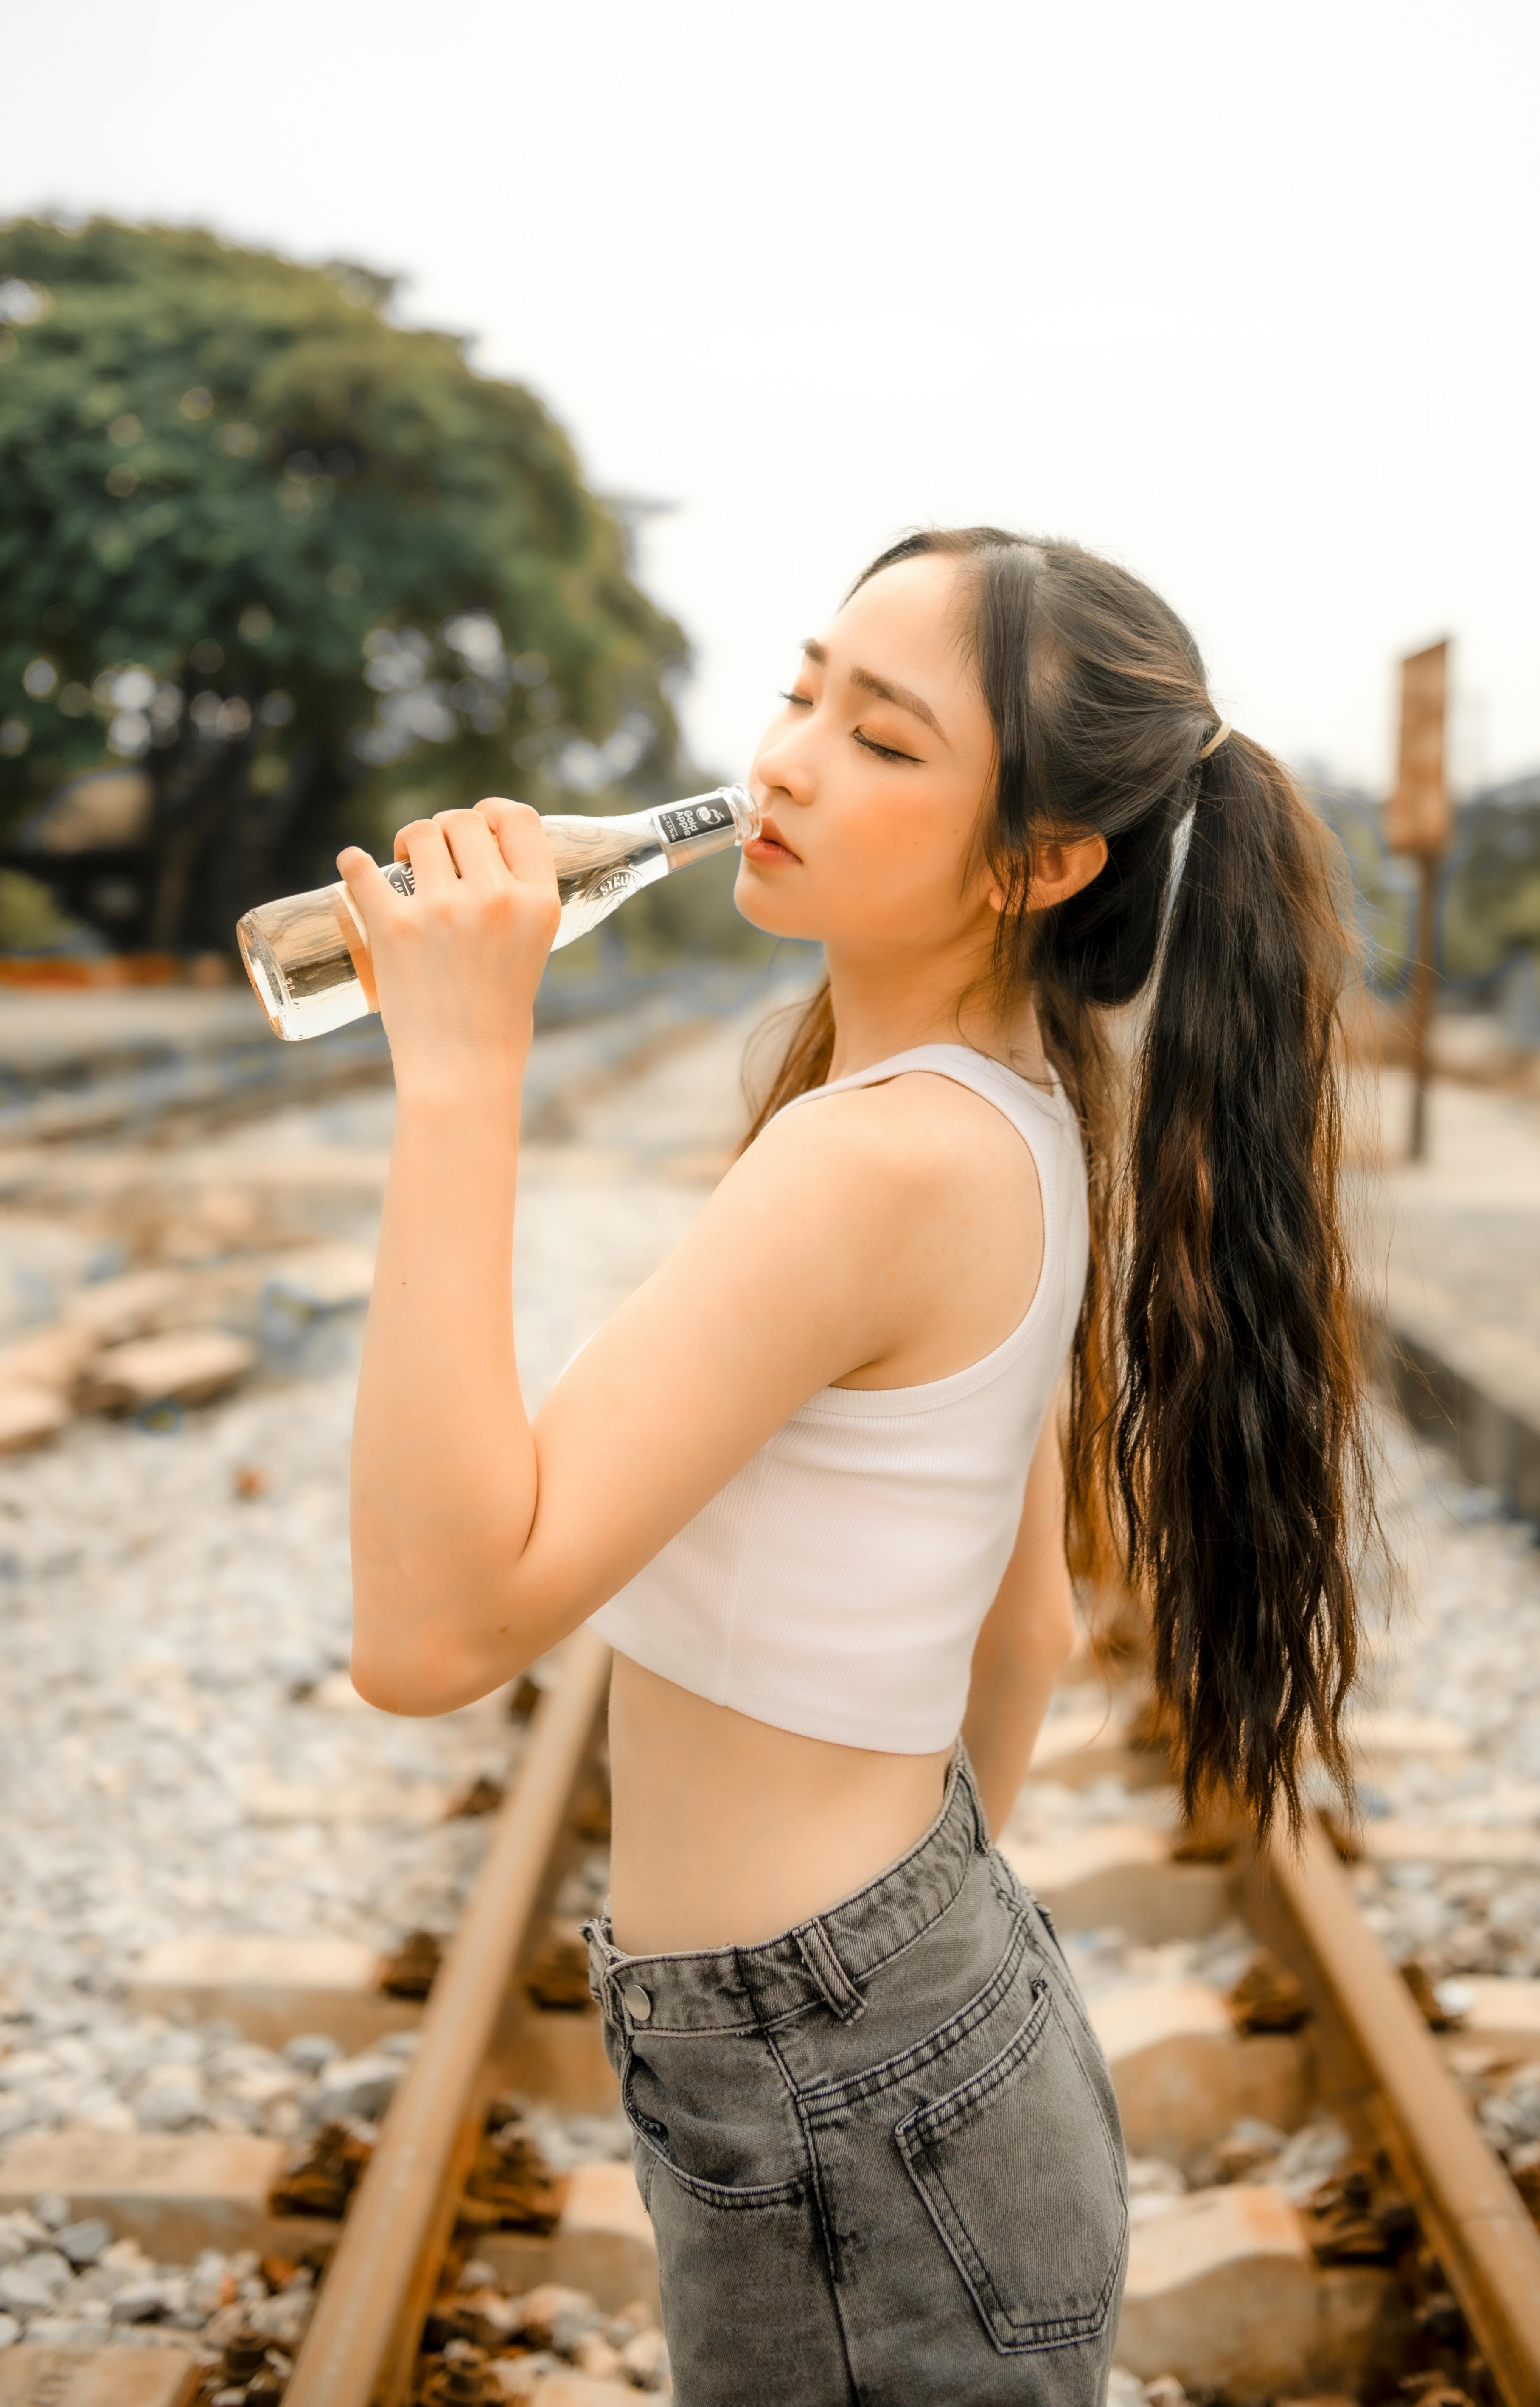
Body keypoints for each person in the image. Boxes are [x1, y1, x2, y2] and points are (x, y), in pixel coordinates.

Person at [336, 527, 1372, 2406]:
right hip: (899, 2037)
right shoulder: (1010, 1115)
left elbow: (430, 1631)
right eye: (803, 689)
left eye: (884, 740)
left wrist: (458, 1075)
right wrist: (881, 1953)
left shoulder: (871, 1164)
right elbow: (1029, 1626)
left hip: (842, 2101)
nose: (790, 757)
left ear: (1041, 862)